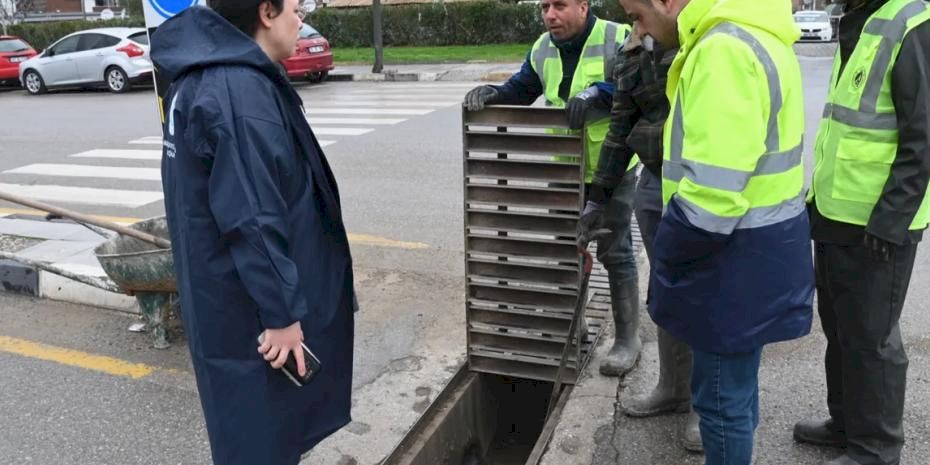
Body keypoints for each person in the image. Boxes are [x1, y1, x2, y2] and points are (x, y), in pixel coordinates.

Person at [151, 1, 356, 464]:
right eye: (296, 9)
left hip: (222, 297)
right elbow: (252, 215)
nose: (301, 20)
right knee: (262, 438)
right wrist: (281, 315)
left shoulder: (201, 76)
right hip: (250, 312)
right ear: (266, 11)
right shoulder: (236, 88)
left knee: (248, 432)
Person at [619, 0, 813, 463]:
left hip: (729, 257)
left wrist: (669, 254)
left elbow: (713, 198)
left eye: (636, 15)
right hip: (760, 246)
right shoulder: (757, 30)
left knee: (721, 402)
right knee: (738, 393)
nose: (638, 31)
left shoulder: (722, 49)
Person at [465, 0, 642, 377]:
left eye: (559, 5)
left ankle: (628, 339)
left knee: (616, 253)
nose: (549, 14)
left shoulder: (617, 37)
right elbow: (522, 88)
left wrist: (597, 93)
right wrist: (493, 93)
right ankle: (574, 327)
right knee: (566, 251)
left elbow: (637, 87)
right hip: (564, 170)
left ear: (583, 6)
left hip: (611, 169)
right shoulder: (543, 47)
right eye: (544, 6)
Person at [795, 0, 930, 464]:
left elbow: (923, 136)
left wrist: (892, 218)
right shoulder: (859, 20)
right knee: (841, 328)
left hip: (878, 223)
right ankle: (847, 424)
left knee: (872, 339)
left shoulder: (911, 22)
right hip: (836, 212)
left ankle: (876, 449)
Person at [585, 25, 701, 452]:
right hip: (654, 176)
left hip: (704, 176)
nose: (632, 22)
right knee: (666, 289)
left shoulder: (704, 38)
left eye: (636, 12)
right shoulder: (632, 50)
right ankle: (674, 387)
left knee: (702, 295)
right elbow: (621, 127)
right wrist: (598, 196)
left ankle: (705, 407)